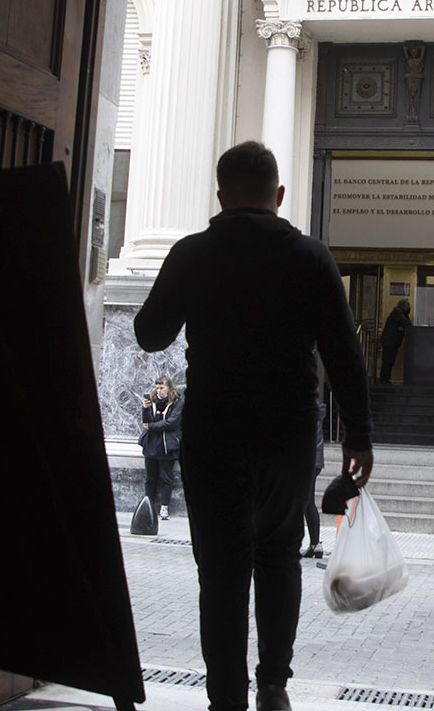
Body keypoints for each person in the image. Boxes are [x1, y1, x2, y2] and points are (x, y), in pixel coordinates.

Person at [134, 141, 373, 711]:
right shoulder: (310, 256)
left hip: (214, 431)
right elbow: (344, 355)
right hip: (287, 434)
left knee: (220, 570)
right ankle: (273, 685)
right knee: (278, 556)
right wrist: (359, 437)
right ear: (280, 195)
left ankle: (225, 698)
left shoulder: (193, 253)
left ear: (220, 196)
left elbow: (148, 334)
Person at [141, 375, 183, 520]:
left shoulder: (177, 403)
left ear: (169, 387)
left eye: (162, 387)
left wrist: (152, 426)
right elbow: (146, 422)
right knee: (150, 478)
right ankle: (148, 506)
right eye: (157, 388)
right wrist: (145, 409)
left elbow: (172, 423)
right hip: (151, 444)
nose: (159, 390)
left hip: (167, 446)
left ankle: (164, 508)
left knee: (166, 478)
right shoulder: (152, 401)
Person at [299, 400, 327, 558]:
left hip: (306, 461)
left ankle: (305, 542)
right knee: (308, 501)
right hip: (314, 460)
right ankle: (315, 544)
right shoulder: (314, 409)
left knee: (303, 502)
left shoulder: (305, 409)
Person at [378, 298, 412, 384]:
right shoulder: (398, 313)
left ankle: (385, 380)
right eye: (408, 305)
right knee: (388, 362)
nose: (409, 307)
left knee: (389, 362)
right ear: (403, 306)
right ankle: (384, 381)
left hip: (391, 341)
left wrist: (402, 328)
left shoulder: (399, 313)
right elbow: (407, 323)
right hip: (390, 342)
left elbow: (406, 324)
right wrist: (402, 328)